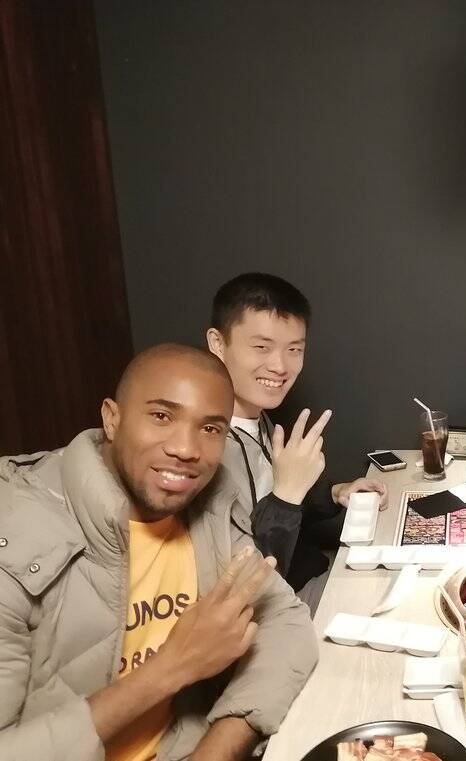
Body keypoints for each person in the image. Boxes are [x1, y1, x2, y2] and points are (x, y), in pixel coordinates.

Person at [0, 344, 317, 761]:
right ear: (112, 418)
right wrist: (171, 669)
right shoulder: (16, 531)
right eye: (162, 416)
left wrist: (215, 752)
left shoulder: (212, 502)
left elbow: (285, 623)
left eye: (211, 428)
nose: (186, 449)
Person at [206, 273, 386, 602]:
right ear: (218, 344)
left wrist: (335, 492)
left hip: (311, 571)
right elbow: (248, 586)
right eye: (261, 347)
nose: (279, 366)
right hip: (278, 603)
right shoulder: (203, 447)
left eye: (294, 349)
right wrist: (288, 493)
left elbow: (272, 492)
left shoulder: (257, 417)